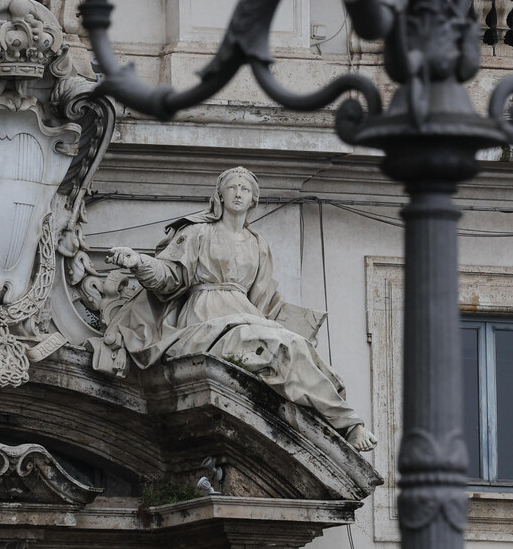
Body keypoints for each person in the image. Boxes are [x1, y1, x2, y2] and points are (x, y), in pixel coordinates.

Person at [103, 167, 377, 451]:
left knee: (298, 346)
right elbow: (169, 276)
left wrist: (300, 322)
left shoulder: (258, 245)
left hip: (246, 317)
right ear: (220, 195)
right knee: (280, 347)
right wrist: (139, 263)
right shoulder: (198, 232)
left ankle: (345, 422)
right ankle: (348, 424)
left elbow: (264, 302)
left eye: (245, 189)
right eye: (232, 187)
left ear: (252, 200)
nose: (238, 193)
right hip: (206, 322)